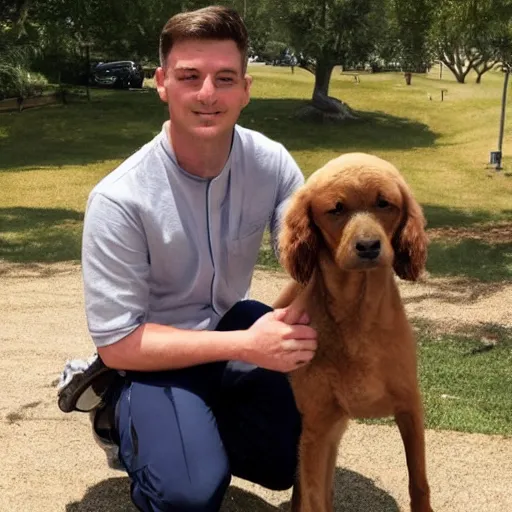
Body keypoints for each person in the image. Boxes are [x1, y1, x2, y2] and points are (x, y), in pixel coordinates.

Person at [76, 5, 318, 512]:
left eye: (224, 78)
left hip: (232, 331)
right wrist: (249, 346)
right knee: (187, 496)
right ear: (163, 83)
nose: (208, 93)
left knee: (291, 459)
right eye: (190, 77)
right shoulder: (120, 198)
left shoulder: (270, 163)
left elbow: (306, 257)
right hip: (149, 364)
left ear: (245, 89)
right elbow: (119, 343)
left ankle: (194, 431)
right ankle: (126, 421)